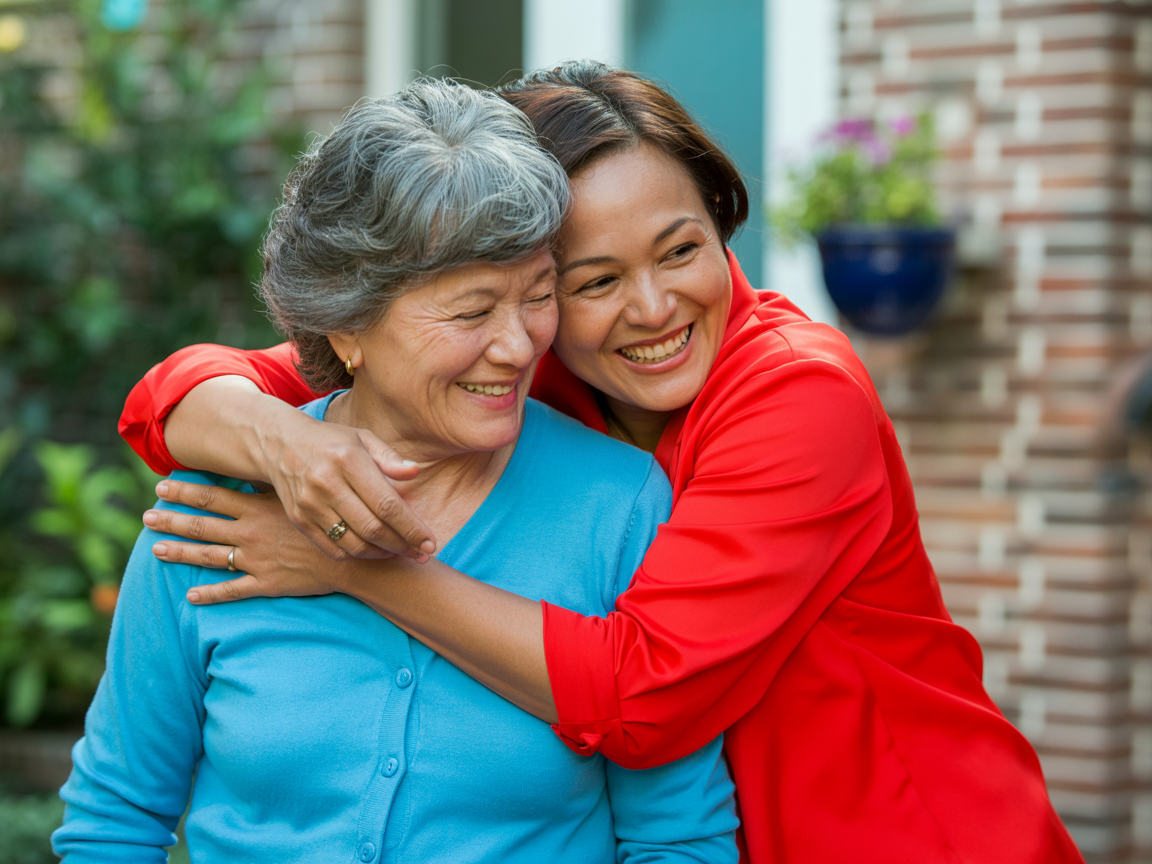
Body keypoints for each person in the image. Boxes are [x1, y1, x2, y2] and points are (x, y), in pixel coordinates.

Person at [119, 62, 1084, 863]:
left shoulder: (801, 394)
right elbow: (187, 394)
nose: (656, 308)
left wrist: (347, 561)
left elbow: (639, 697)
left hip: (914, 836)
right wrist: (285, 440)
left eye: (680, 250)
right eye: (593, 282)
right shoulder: (536, 362)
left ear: (720, 223)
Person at [54, 79, 739, 864]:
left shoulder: (617, 505)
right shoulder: (215, 517)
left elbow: (679, 838)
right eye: (472, 311)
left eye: (539, 297)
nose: (519, 347)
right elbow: (113, 822)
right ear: (347, 323)